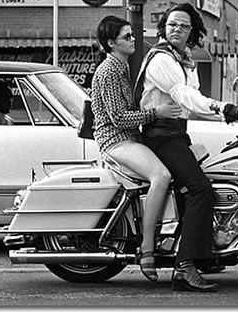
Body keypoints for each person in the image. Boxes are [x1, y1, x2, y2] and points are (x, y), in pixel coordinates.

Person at [134, 2, 238, 292]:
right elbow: (184, 96)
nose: (177, 29)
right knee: (200, 190)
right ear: (164, 27)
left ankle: (198, 256)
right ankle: (185, 267)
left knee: (194, 192)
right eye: (172, 24)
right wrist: (224, 107)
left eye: (184, 26)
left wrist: (235, 110)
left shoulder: (184, 59)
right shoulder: (161, 59)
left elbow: (196, 98)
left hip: (176, 134)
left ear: (191, 32)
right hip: (160, 137)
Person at [90, 15, 182, 282]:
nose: (133, 40)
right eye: (126, 37)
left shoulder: (122, 65)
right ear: (111, 43)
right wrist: (156, 112)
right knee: (161, 176)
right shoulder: (108, 71)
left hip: (130, 137)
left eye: (132, 35)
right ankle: (148, 247)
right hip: (115, 140)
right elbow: (118, 117)